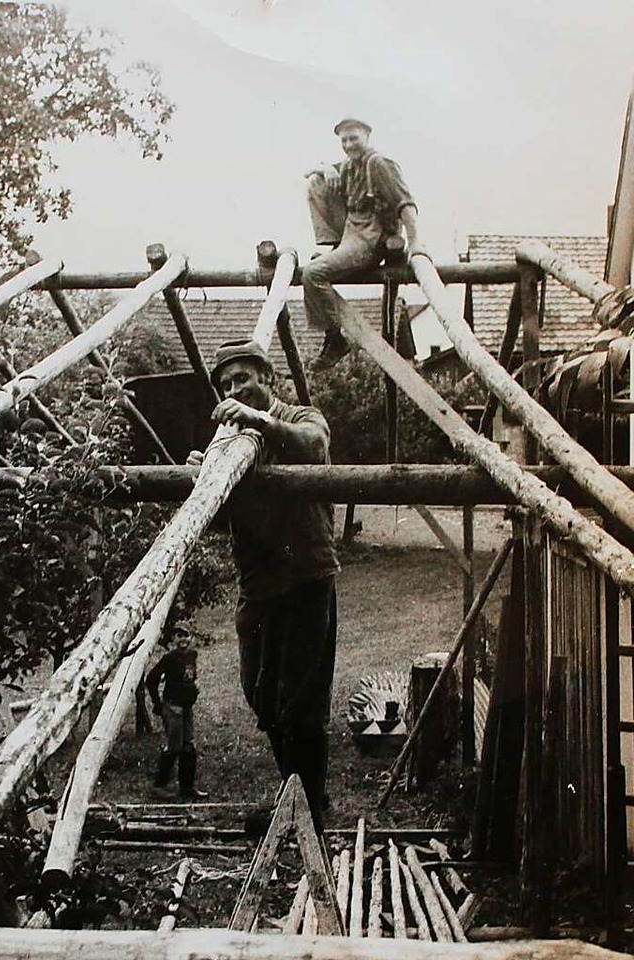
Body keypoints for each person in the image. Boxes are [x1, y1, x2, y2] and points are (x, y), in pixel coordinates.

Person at [188, 339, 339, 830]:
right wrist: (204, 477)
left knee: (301, 702)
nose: (235, 390)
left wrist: (259, 422)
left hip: (305, 579)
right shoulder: (230, 439)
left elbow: (314, 449)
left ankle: (308, 808)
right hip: (258, 587)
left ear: (267, 379)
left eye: (243, 379)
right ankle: (297, 797)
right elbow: (219, 520)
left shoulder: (299, 416)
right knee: (260, 695)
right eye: (227, 384)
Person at [303, 117, 431, 370]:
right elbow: (308, 171)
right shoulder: (350, 166)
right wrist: (325, 168)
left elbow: (406, 203)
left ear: (367, 137)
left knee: (313, 273)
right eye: (344, 140)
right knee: (315, 182)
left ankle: (335, 339)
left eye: (354, 138)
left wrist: (416, 244)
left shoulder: (378, 164)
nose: (349, 145)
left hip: (371, 238)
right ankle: (333, 247)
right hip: (350, 231)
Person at [146, 620, 206, 801]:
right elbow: (151, 679)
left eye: (186, 635)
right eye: (179, 635)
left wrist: (194, 689)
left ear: (191, 638)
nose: (183, 640)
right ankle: (159, 786)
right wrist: (158, 704)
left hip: (187, 708)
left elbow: (189, 678)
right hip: (173, 707)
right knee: (174, 747)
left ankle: (187, 787)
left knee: (189, 746)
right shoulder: (169, 658)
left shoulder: (192, 655)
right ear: (173, 638)